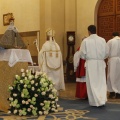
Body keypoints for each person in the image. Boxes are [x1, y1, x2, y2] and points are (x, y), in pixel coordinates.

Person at [78, 25, 109, 107]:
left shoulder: (85, 41)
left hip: (91, 63)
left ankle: (95, 101)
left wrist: (87, 58)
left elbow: (82, 54)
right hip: (100, 62)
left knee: (92, 82)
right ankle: (102, 99)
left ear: (89, 31)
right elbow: (106, 52)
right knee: (101, 81)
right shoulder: (102, 40)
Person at [38, 28, 65, 93]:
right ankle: (56, 92)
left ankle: (49, 92)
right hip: (57, 67)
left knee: (49, 77)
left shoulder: (45, 45)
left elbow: (41, 54)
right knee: (56, 77)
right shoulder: (57, 45)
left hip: (48, 68)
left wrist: (40, 59)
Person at [107, 32, 120, 99]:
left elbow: (106, 51)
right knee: (118, 76)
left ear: (113, 36)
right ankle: (118, 93)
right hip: (119, 59)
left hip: (113, 60)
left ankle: (112, 92)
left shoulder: (111, 41)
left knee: (111, 76)